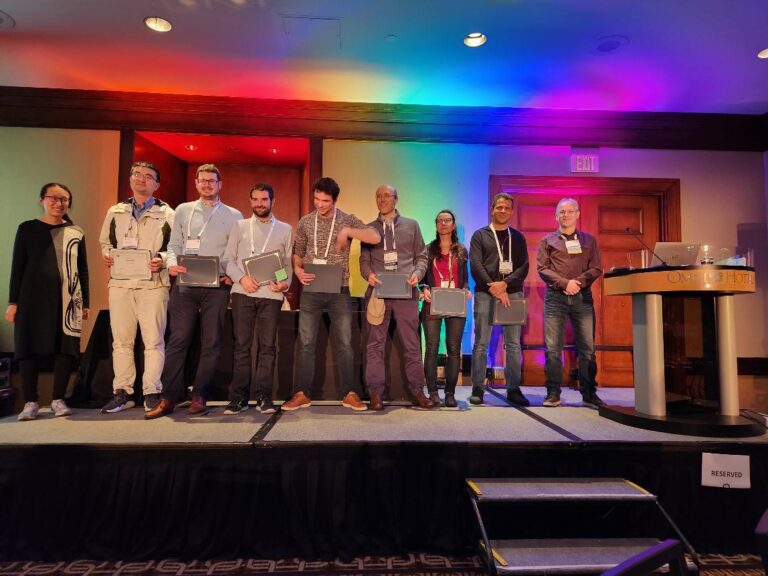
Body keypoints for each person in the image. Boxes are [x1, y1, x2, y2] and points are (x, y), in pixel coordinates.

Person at [145, 164, 242, 419]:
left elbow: (236, 251)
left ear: (220, 185)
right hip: (186, 283)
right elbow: (174, 245)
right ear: (196, 184)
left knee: (211, 343)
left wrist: (231, 275)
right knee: (178, 340)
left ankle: (199, 395)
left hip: (217, 286)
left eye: (212, 181)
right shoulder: (183, 210)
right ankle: (169, 397)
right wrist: (171, 263)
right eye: (203, 181)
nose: (207, 185)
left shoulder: (234, 215)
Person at [284, 177, 381, 412]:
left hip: (340, 289)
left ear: (335, 200)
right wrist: (297, 269)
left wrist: (348, 231)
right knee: (306, 343)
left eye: (325, 201)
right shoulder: (306, 221)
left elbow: (375, 236)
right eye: (316, 199)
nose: (319, 204)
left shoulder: (346, 219)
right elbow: (298, 253)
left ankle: (349, 393)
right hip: (312, 288)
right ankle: (302, 393)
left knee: (345, 343)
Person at [6, 183, 90, 421]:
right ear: (41, 200)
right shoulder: (27, 228)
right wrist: (13, 302)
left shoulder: (76, 232)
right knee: (27, 347)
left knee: (66, 347)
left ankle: (58, 399)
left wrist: (85, 302)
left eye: (64, 199)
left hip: (68, 298)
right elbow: (17, 267)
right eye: (53, 198)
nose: (58, 203)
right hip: (30, 298)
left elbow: (82, 269)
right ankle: (30, 402)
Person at [99, 161, 175, 413]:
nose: (141, 179)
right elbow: (105, 242)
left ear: (157, 184)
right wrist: (107, 255)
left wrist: (162, 259)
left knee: (153, 341)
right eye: (137, 174)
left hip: (153, 285)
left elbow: (176, 247)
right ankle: (123, 392)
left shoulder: (168, 213)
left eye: (148, 176)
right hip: (121, 284)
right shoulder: (115, 211)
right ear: (130, 179)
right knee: (121, 341)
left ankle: (152, 391)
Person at [359, 184, 436, 411]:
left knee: (412, 344)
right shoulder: (369, 229)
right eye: (378, 196)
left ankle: (417, 391)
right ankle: (375, 393)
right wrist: (368, 275)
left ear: (396, 199)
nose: (382, 199)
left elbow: (422, 257)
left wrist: (417, 274)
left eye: (387, 196)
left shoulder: (412, 225)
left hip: (406, 292)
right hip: (378, 294)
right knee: (375, 345)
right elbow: (364, 261)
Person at [220, 183, 293, 414]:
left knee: (268, 347)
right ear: (250, 201)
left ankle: (264, 397)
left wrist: (282, 283)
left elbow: (286, 264)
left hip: (271, 295)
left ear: (273, 201)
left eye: (264, 199)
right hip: (243, 293)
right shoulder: (239, 226)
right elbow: (227, 260)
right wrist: (242, 279)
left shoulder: (285, 229)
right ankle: (239, 398)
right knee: (242, 346)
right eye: (256, 199)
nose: (260, 203)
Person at [537, 197, 604, 408]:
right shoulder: (547, 241)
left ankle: (589, 393)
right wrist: (565, 283)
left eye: (570, 211)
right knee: (552, 349)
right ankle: (553, 393)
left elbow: (596, 268)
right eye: (562, 212)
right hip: (555, 298)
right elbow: (542, 269)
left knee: (586, 349)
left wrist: (578, 283)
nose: (566, 215)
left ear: (577, 214)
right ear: (556, 216)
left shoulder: (589, 240)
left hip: (582, 297)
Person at [469, 192, 530, 406]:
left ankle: (513, 389)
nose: (502, 211)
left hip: (512, 293)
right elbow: (476, 265)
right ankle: (478, 387)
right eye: (499, 207)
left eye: (507, 208)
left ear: (511, 212)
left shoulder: (518, 237)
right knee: (481, 343)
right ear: (492, 209)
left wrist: (505, 285)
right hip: (485, 292)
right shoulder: (480, 235)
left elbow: (524, 266)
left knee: (513, 344)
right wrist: (495, 287)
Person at [420, 209, 471, 409]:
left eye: (447, 220)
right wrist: (424, 288)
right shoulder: (428, 249)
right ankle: (433, 392)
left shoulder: (461, 250)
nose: (443, 223)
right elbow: (424, 277)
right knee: (431, 347)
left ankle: (450, 393)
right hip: (433, 301)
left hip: (455, 301)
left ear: (453, 224)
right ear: (436, 225)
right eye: (440, 220)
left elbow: (464, 278)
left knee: (454, 349)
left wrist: (466, 289)